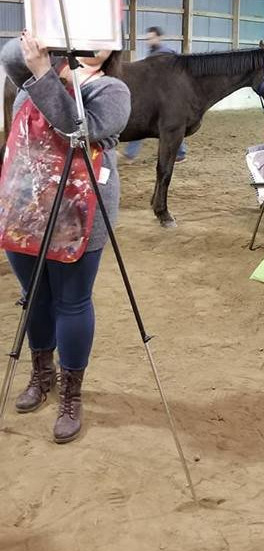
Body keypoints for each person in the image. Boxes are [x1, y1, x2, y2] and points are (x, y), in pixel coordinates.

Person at [0, 32, 131, 442]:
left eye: (104, 35)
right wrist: (46, 30)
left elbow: (77, 130)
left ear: (115, 48)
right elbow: (9, 53)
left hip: (80, 212)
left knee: (71, 301)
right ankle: (43, 373)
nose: (95, 41)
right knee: (35, 296)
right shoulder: (38, 70)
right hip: (27, 207)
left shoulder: (112, 89)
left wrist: (43, 72)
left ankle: (71, 393)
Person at [123, 26, 187, 162]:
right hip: (157, 95)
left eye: (151, 38)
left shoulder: (164, 54)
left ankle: (130, 154)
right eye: (147, 39)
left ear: (159, 38)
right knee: (166, 123)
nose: (148, 41)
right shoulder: (155, 54)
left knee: (167, 123)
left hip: (166, 95)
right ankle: (180, 154)